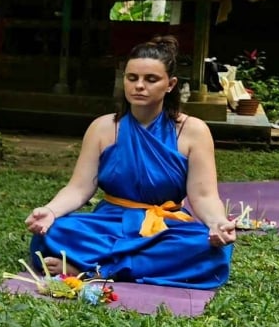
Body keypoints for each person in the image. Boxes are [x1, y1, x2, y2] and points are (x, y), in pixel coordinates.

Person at [25, 36, 234, 288]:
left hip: (164, 225)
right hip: (110, 222)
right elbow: (79, 188)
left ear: (171, 84)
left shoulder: (193, 131)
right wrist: (50, 211)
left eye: (151, 79)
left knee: (209, 247)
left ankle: (91, 267)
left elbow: (203, 196)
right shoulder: (103, 128)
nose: (139, 86)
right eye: (132, 78)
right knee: (53, 233)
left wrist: (216, 224)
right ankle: (121, 265)